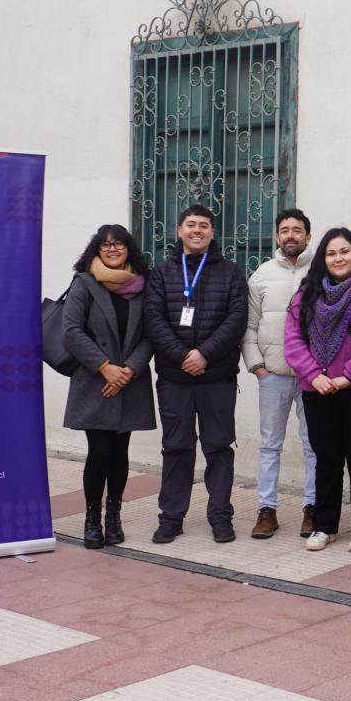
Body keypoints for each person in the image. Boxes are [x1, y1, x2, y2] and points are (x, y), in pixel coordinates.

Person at [142, 205, 250, 544]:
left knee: (218, 447)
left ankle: (220, 516)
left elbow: (236, 320)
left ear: (212, 233)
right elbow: (154, 320)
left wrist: (203, 353)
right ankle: (171, 517)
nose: (197, 230)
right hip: (175, 378)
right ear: (179, 231)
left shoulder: (231, 273)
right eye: (190, 224)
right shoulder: (160, 273)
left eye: (204, 225)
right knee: (176, 447)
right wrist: (182, 355)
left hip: (216, 376)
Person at [284, 228, 351, 553]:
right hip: (317, 390)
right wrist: (314, 376)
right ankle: (324, 525)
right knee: (326, 459)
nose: (338, 258)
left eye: (344, 251)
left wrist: (348, 376)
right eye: (331, 253)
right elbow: (293, 340)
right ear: (323, 258)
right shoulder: (306, 294)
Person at [60, 224, 156, 550]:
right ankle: (92, 518)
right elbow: (71, 331)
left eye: (119, 245)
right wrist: (105, 367)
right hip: (95, 381)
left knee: (120, 453)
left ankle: (113, 516)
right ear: (97, 250)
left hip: (130, 380)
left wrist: (129, 370)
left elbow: (150, 333)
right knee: (99, 451)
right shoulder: (84, 283)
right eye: (106, 246)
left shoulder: (143, 286)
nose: (112, 250)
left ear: (129, 249)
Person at [243, 209, 317, 539]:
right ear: (277, 236)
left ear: (308, 236)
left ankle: (313, 508)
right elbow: (249, 324)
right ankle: (266, 509)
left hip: (313, 377)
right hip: (272, 374)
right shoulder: (261, 275)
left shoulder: (321, 272)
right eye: (285, 230)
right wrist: (256, 364)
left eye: (297, 230)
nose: (291, 235)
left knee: (314, 445)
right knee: (270, 445)